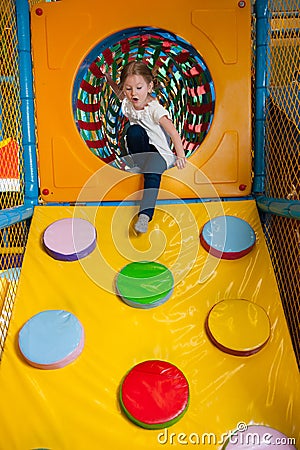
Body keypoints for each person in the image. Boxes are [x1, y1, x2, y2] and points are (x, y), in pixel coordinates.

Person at [104, 61, 186, 233]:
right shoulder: (127, 102)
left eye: (139, 88)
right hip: (142, 151)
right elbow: (117, 92)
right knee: (133, 130)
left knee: (152, 176)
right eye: (128, 88)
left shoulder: (154, 109)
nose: (133, 93)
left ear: (149, 87)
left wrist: (180, 155)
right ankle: (139, 165)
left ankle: (145, 216)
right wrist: (108, 77)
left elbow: (173, 133)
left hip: (160, 154)